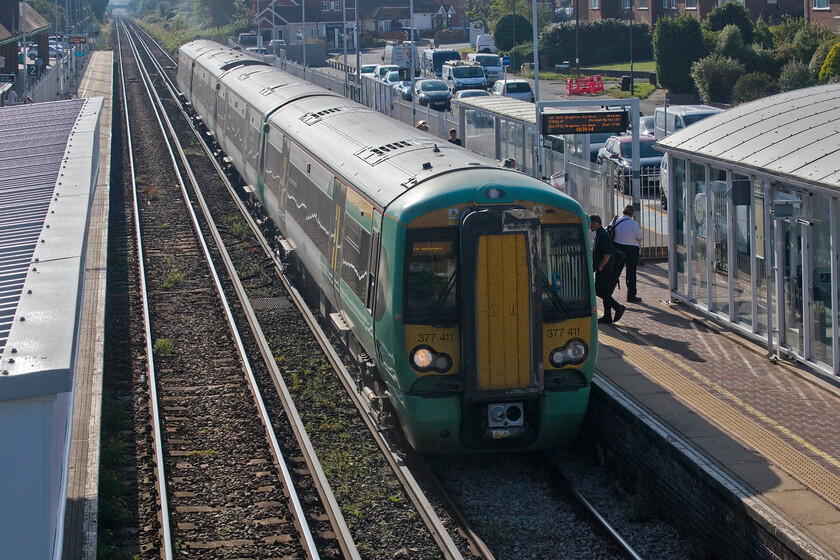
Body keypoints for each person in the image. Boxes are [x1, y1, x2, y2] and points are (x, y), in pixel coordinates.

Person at [590, 214, 626, 324]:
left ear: (596, 223)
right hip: (603, 268)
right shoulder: (599, 234)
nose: (589, 226)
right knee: (605, 292)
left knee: (599, 290)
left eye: (590, 223)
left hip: (605, 269)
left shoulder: (602, 235)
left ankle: (618, 307)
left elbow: (608, 253)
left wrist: (601, 266)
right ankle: (607, 316)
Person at [611, 204, 644, 303]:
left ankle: (608, 292)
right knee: (631, 272)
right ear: (632, 213)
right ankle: (631, 295)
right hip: (631, 250)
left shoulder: (616, 221)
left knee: (616, 272)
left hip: (618, 248)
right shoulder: (633, 224)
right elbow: (639, 238)